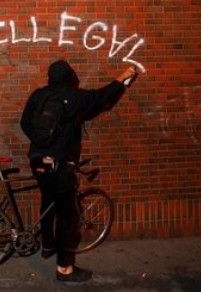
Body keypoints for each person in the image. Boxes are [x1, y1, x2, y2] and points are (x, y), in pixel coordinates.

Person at [20, 60, 137, 282]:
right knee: (68, 216)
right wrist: (123, 77)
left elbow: (24, 123)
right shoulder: (74, 97)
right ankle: (65, 268)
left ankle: (47, 245)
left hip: (37, 161)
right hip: (59, 165)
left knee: (48, 199)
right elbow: (103, 96)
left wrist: (42, 143)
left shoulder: (38, 95)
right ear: (69, 76)